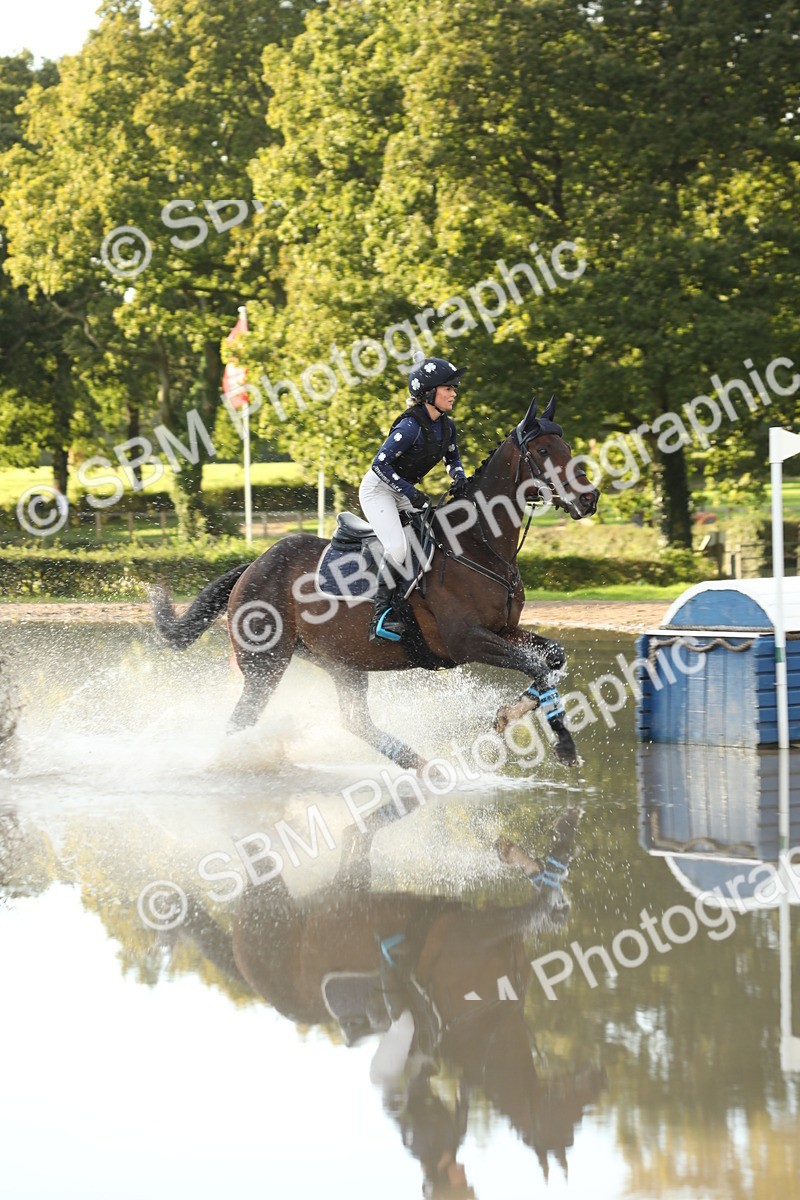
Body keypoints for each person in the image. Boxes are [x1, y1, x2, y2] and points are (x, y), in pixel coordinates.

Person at [359, 357, 469, 641]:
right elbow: (379, 465)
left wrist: (460, 478)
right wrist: (412, 493)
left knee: (434, 538)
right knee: (397, 547)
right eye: (448, 388)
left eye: (454, 388)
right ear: (429, 393)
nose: (454, 393)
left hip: (402, 492)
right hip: (378, 491)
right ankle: (380, 617)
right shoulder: (410, 427)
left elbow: (453, 459)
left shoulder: (447, 426)